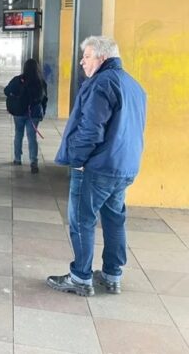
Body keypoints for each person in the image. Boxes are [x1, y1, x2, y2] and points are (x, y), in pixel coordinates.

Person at [47, 36, 146, 297]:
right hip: (124, 167)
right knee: (114, 220)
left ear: (102, 57)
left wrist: (77, 162)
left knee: (81, 221)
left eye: (87, 56)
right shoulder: (133, 85)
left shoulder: (101, 83)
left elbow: (91, 130)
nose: (82, 61)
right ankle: (113, 275)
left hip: (98, 167)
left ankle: (80, 277)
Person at [4, 59, 48, 174]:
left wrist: (14, 95)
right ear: (37, 68)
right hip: (34, 114)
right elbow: (44, 99)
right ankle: (34, 162)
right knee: (32, 137)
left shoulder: (18, 80)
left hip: (19, 112)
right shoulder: (41, 82)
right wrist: (43, 112)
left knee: (18, 134)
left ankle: (17, 159)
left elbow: (6, 91)